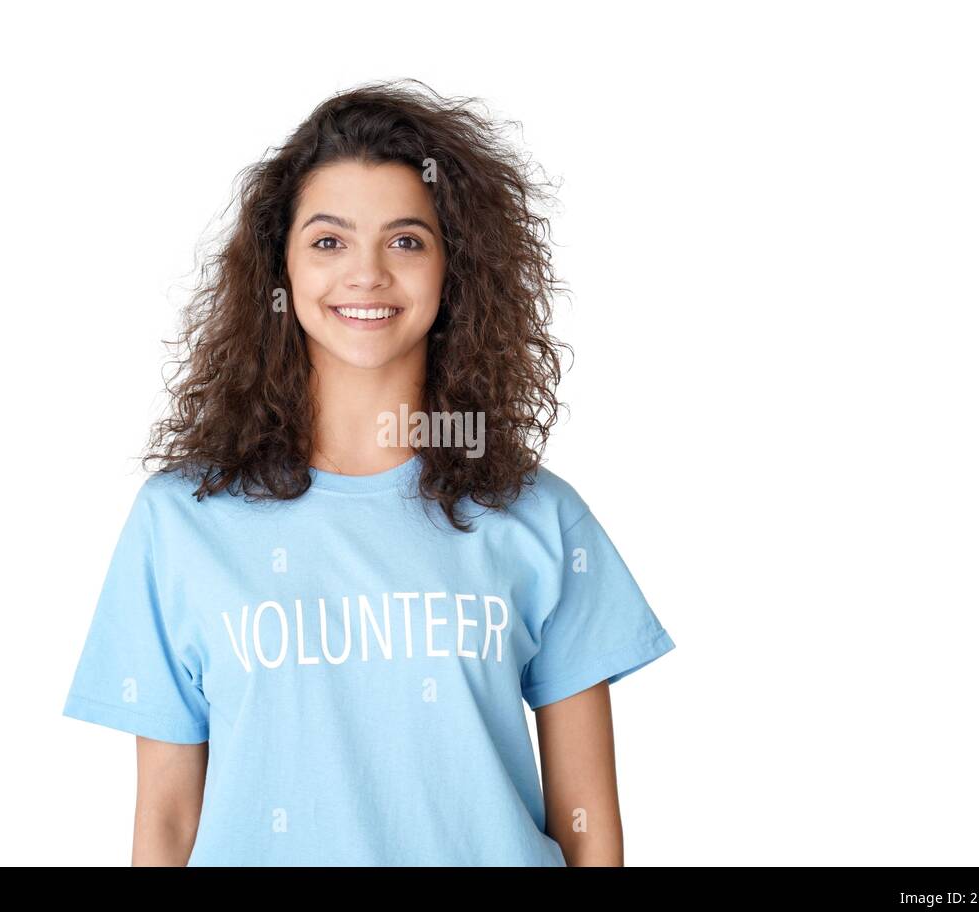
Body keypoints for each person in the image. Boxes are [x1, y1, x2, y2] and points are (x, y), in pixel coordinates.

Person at [61, 79, 676, 866]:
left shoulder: (538, 516)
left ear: (455, 272)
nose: (367, 274)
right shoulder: (180, 520)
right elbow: (167, 824)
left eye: (407, 240)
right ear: (278, 273)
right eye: (328, 241)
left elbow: (591, 825)